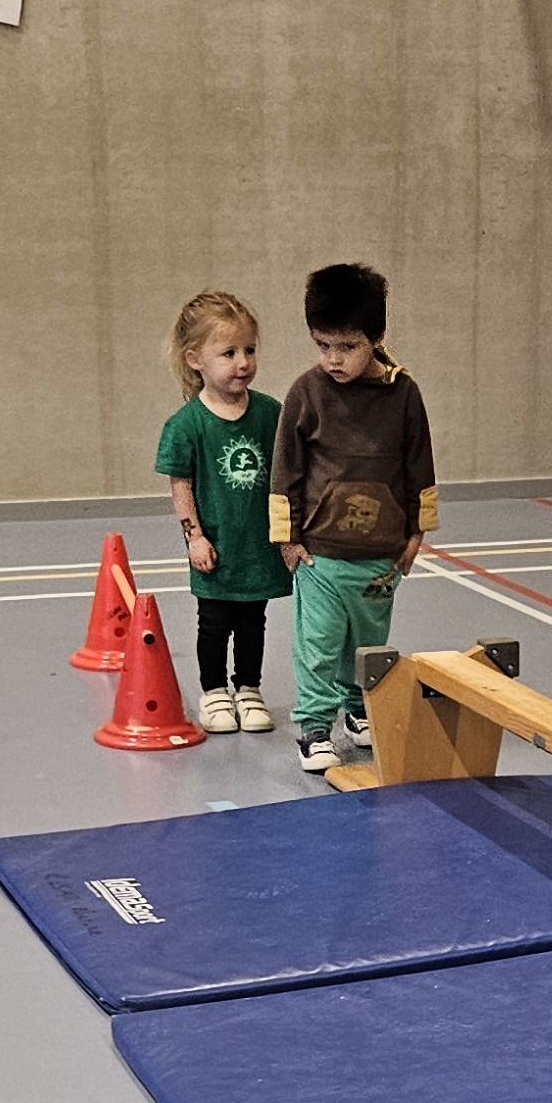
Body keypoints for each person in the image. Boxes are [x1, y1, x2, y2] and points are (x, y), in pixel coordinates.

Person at [269, 262, 437, 774]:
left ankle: (359, 707)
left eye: (348, 346)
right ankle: (315, 726)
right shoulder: (306, 392)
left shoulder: (404, 395)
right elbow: (285, 470)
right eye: (323, 345)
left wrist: (416, 533)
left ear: (377, 338)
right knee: (318, 644)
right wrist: (287, 539)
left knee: (366, 644)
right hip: (319, 554)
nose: (334, 359)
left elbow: (420, 465)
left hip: (380, 556)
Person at [155, 291, 288, 733]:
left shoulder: (270, 413)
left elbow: (288, 473)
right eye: (228, 353)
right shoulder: (185, 425)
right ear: (195, 359)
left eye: (249, 350)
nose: (243, 362)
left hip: (257, 546)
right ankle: (213, 692)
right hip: (215, 546)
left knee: (253, 621)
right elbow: (181, 485)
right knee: (213, 624)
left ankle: (248, 688)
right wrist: (194, 537)